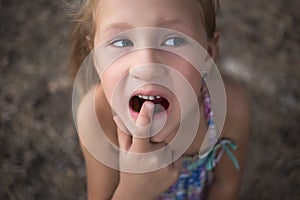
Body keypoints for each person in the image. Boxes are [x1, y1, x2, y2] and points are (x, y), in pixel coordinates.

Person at [70, 0, 250, 199]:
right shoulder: (96, 118)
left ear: (207, 55)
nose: (147, 67)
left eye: (174, 40)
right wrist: (133, 192)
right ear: (95, 57)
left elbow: (225, 187)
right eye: (121, 42)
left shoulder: (231, 108)